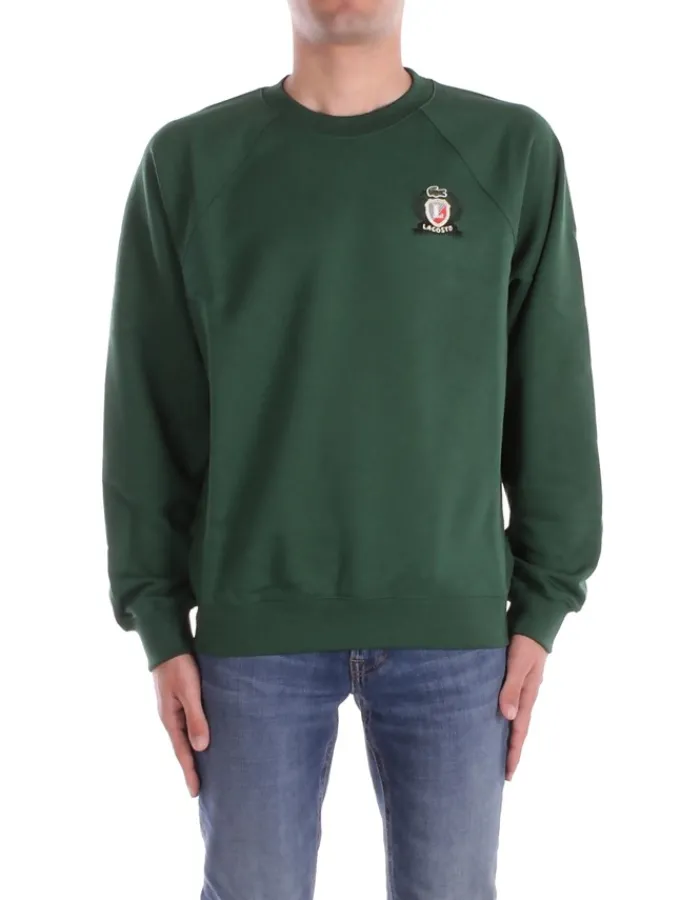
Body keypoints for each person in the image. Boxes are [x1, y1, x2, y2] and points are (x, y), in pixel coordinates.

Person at [101, 1, 603, 897]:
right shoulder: (190, 163)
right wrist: (157, 621)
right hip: (254, 627)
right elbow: (149, 410)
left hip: (454, 630)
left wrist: (543, 604)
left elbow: (553, 389)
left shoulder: (509, 153)